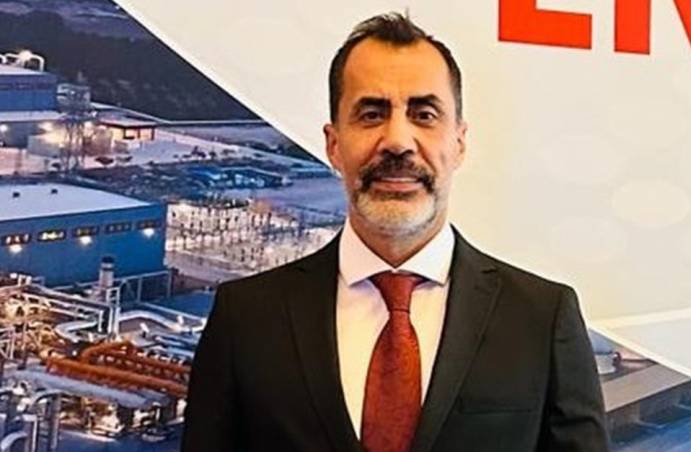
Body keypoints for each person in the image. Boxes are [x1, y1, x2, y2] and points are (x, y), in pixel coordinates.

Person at [182, 12, 609, 452]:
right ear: (333, 144)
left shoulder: (541, 319)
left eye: (424, 114)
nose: (398, 141)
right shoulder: (246, 319)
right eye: (372, 114)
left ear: (459, 142)